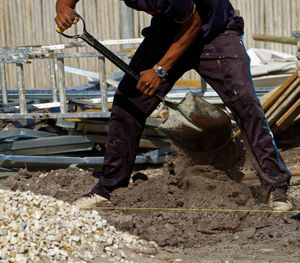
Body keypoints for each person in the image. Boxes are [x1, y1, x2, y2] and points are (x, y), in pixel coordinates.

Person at [55, 0, 293, 211]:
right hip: (168, 28)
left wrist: (160, 69)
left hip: (215, 31)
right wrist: (64, 6)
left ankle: (276, 186)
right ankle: (109, 188)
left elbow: (193, 23)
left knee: (246, 104)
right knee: (128, 103)